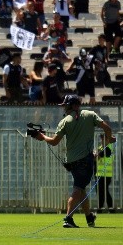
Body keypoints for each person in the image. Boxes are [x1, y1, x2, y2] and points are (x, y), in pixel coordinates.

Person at [34, 95, 115, 228]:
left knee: (81, 189)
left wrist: (42, 137)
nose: (64, 108)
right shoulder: (90, 114)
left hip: (72, 162)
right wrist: (109, 139)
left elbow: (54, 142)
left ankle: (89, 217)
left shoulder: (64, 121)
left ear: (72, 106)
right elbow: (107, 128)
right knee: (78, 189)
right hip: (86, 161)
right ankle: (68, 218)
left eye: (66, 105)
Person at [95, 133, 114, 213]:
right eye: (102, 139)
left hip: (106, 174)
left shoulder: (109, 148)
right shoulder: (100, 148)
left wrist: (96, 154)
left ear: (108, 140)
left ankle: (107, 208)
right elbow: (95, 157)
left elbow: (99, 155)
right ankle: (103, 208)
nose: (102, 140)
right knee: (100, 192)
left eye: (104, 139)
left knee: (104, 192)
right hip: (99, 174)